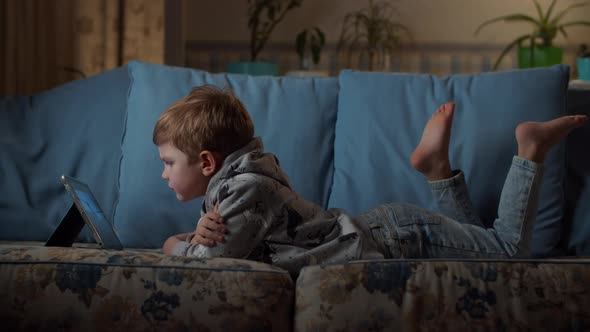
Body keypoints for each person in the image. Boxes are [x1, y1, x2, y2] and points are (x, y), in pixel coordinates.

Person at [155, 85, 588, 277]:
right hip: (387, 231)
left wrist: (173, 244)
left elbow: (207, 265)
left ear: (208, 161)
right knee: (479, 248)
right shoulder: (238, 182)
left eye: (169, 162)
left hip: (396, 238)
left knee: (506, 253)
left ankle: (530, 150)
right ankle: (437, 169)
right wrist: (194, 235)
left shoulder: (245, 187)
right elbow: (216, 249)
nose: (164, 173)